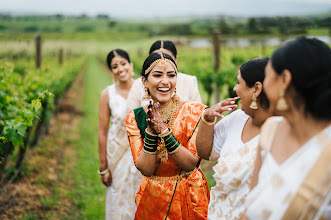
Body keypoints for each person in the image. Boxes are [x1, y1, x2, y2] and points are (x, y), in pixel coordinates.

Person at [243, 37, 331, 219]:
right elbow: (251, 204)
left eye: (267, 77)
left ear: (285, 80)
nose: (264, 86)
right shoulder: (271, 130)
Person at [126, 52, 212, 219]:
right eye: (157, 75)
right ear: (144, 81)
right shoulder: (135, 117)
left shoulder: (195, 112)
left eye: (171, 75)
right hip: (154, 198)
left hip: (189, 196)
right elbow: (146, 169)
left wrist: (163, 131)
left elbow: (190, 164)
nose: (165, 81)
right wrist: (151, 131)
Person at [196, 58, 270, 219]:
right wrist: (207, 118)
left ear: (256, 88)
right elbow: (205, 152)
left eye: (238, 82)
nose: (235, 88)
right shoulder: (237, 118)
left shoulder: (281, 130)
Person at [98, 49, 141, 220]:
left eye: (123, 63)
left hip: (142, 155)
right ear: (111, 71)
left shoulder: (143, 89)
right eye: (115, 66)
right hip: (117, 156)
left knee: (141, 201)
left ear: (131, 65)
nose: (120, 69)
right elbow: (102, 132)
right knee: (119, 203)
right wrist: (103, 167)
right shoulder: (107, 94)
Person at [126, 40, 201, 111]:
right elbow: (131, 116)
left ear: (176, 60)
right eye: (156, 57)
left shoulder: (189, 81)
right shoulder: (138, 84)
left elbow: (198, 115)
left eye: (168, 57)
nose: (162, 60)